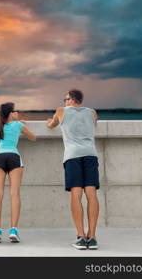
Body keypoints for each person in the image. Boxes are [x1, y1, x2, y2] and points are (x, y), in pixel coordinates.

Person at [46, 89, 100, 250]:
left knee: (76, 195)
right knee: (91, 194)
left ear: (71, 100)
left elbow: (51, 124)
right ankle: (92, 236)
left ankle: (81, 237)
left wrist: (50, 121)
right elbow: (91, 125)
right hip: (91, 154)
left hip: (73, 155)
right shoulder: (92, 112)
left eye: (66, 99)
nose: (64, 102)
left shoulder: (61, 111)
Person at [0, 102, 36, 243]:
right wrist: (18, 123)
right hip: (14, 157)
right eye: (15, 111)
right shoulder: (18, 125)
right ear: (11, 113)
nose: (17, 112)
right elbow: (33, 137)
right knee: (14, 194)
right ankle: (13, 230)